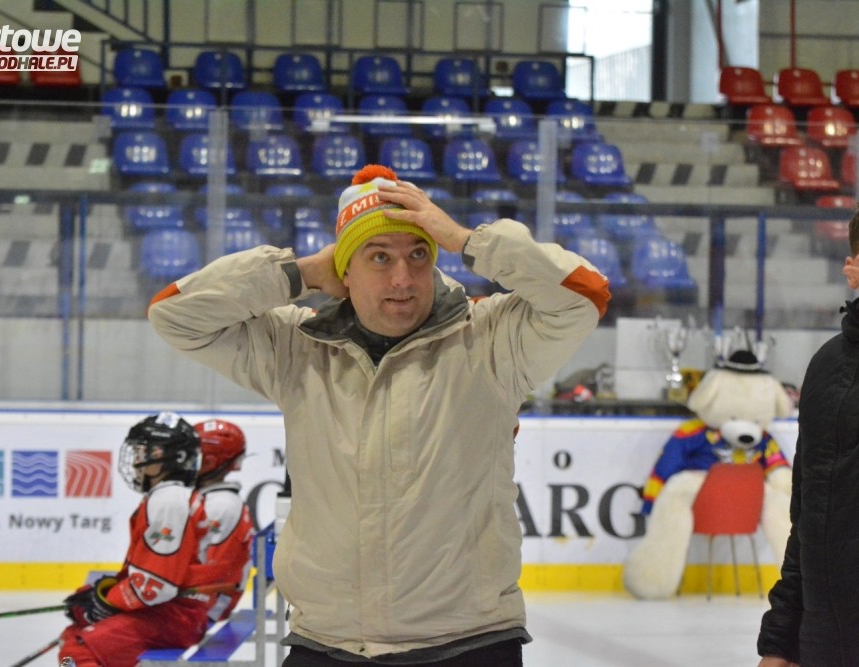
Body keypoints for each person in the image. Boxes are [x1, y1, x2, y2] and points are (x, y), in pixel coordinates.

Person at [148, 164, 610, 666]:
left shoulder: (491, 339)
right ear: (344, 269)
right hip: (327, 642)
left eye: (418, 254)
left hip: (469, 642)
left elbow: (584, 295)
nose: (402, 278)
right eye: (379, 257)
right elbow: (174, 315)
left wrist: (465, 239)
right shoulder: (296, 346)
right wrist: (300, 273)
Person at [757, 190, 859, 666]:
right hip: (827, 643)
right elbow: (809, 512)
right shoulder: (827, 364)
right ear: (853, 269)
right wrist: (780, 640)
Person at [58, 412, 213, 667]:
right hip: (172, 612)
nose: (135, 463)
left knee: (77, 652)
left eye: (142, 453)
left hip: (173, 616)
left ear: (169, 458)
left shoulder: (168, 501)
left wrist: (108, 602)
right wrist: (101, 594)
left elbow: (157, 586)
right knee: (72, 636)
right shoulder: (169, 497)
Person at [194, 418, 256, 623]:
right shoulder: (215, 499)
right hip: (208, 598)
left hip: (208, 606)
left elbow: (212, 573)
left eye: (193, 455)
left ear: (209, 462)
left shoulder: (219, 505)